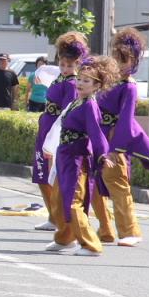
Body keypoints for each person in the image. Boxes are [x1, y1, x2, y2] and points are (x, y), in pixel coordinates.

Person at [97, 28, 149, 247]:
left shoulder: (129, 87)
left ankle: (130, 230)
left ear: (134, 61)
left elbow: (126, 120)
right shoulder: (108, 82)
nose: (119, 64)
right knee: (95, 184)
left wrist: (115, 147)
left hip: (113, 140)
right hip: (99, 137)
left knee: (117, 184)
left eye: (124, 60)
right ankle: (105, 228)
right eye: (116, 58)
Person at [44, 55, 119, 256]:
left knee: (73, 202)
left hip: (77, 159)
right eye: (79, 79)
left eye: (86, 81)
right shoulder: (78, 102)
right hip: (65, 156)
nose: (80, 83)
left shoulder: (90, 105)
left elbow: (96, 132)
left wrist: (103, 155)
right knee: (59, 199)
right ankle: (65, 239)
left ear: (96, 85)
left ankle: (90, 244)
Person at [31, 33, 86, 232]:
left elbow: (66, 112)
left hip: (55, 131)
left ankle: (59, 218)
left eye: (70, 65)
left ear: (78, 65)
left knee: (53, 176)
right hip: (45, 126)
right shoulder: (59, 78)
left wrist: (57, 135)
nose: (65, 68)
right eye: (62, 64)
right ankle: (52, 215)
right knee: (41, 174)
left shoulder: (72, 84)